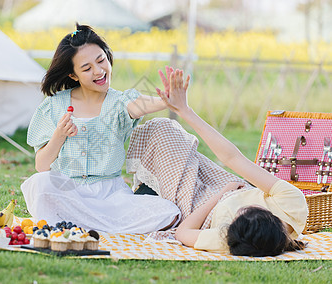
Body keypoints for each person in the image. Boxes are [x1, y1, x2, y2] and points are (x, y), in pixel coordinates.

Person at [21, 24, 181, 233]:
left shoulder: (118, 103)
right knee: (40, 184)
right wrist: (59, 136)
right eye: (87, 69)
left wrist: (164, 100)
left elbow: (139, 103)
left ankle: (78, 224)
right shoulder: (54, 106)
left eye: (101, 60)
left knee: (169, 212)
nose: (99, 71)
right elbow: (41, 166)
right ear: (73, 75)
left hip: (111, 197)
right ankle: (100, 225)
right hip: (69, 192)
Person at [152, 67, 308, 256]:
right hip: (229, 184)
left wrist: (221, 194)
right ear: (270, 216)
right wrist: (185, 111)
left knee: (160, 131)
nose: (237, 212)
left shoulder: (233, 238)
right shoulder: (292, 203)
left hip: (200, 206)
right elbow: (232, 158)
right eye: (245, 210)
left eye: (235, 218)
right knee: (171, 133)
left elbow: (183, 233)